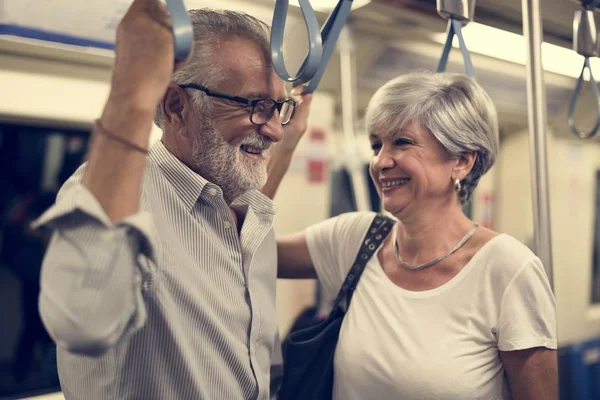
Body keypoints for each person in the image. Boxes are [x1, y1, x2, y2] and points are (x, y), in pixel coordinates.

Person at [33, 1, 312, 399]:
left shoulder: (249, 212)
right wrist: (131, 95)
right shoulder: (125, 196)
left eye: (279, 109)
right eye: (254, 105)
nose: (276, 131)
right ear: (177, 106)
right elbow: (83, 323)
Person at [277, 71, 557, 399]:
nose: (380, 161)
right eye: (376, 145)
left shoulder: (508, 268)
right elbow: (239, 248)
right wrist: (284, 145)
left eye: (402, 142)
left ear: (462, 161)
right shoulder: (356, 240)